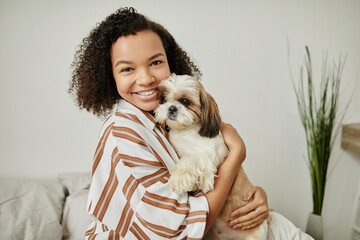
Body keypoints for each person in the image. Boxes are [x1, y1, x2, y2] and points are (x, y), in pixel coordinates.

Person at [69, 7, 313, 240]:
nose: (145, 79)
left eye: (155, 62)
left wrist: (255, 197)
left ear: (170, 62)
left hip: (235, 223)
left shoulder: (159, 121)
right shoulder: (123, 134)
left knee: (283, 226)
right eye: (127, 69)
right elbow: (183, 231)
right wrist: (237, 153)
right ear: (108, 75)